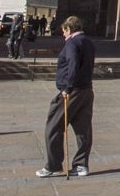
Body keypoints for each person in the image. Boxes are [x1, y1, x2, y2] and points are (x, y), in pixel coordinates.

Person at [37, 16, 96, 178]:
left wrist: (67, 88)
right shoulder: (88, 42)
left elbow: (73, 64)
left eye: (64, 30)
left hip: (72, 90)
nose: (63, 34)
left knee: (54, 127)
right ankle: (81, 165)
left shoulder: (72, 43)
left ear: (69, 29)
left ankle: (54, 165)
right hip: (86, 89)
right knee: (83, 129)